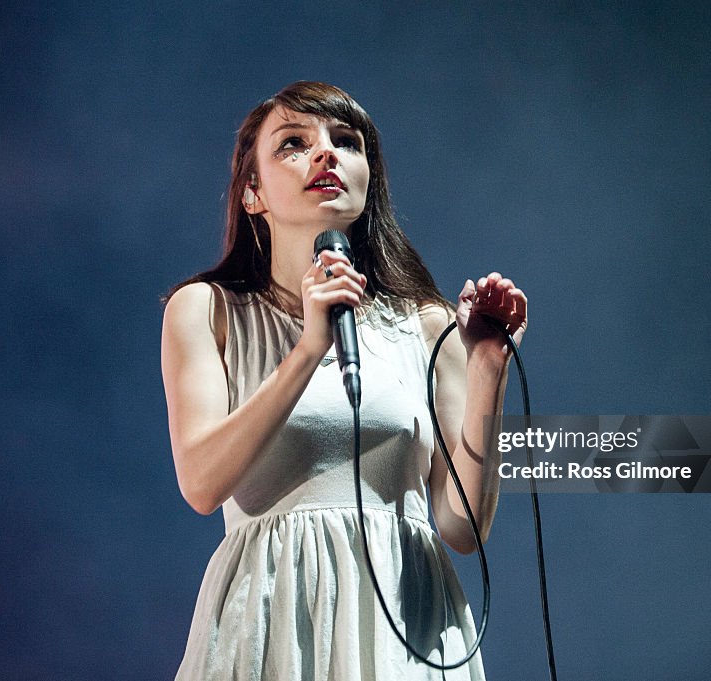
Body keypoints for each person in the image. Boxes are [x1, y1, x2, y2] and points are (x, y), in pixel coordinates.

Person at [161, 81, 527, 680]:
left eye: (346, 142)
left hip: (404, 621)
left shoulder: (425, 321)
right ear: (253, 192)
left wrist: (488, 368)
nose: (327, 154)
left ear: (368, 180)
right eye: (293, 144)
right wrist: (309, 348)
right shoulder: (205, 309)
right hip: (272, 614)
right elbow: (201, 484)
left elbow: (463, 526)